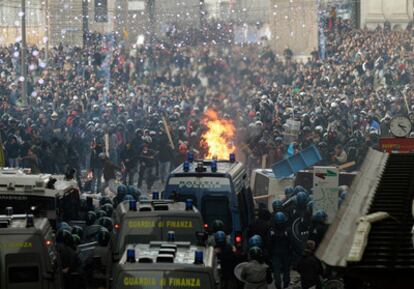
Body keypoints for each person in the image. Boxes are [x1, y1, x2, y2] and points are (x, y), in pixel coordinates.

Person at [268, 212, 292, 289]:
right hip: (286, 252)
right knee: (286, 269)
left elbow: (270, 243)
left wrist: (270, 253)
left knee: (276, 269)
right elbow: (291, 242)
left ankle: (278, 284)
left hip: (275, 253)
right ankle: (286, 283)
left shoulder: (272, 231)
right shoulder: (287, 230)